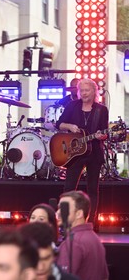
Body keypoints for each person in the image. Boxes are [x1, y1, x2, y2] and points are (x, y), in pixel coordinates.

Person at [55, 78, 109, 226]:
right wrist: (69, 126)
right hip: (74, 153)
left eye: (87, 90)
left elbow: (105, 133)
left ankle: (91, 222)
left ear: (94, 91)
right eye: (82, 90)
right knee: (69, 187)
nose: (84, 93)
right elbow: (58, 124)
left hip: (94, 152)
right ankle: (65, 221)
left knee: (92, 188)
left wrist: (101, 135)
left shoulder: (101, 109)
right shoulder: (72, 105)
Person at [55, 191, 108, 280]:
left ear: (79, 214)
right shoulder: (94, 238)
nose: (58, 212)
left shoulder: (74, 243)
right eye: (59, 208)